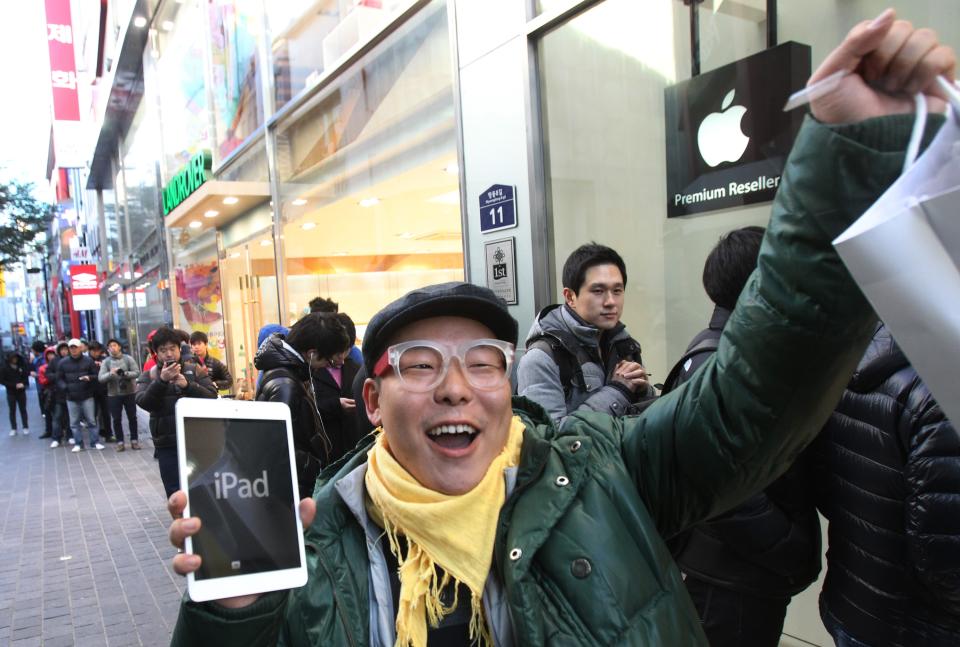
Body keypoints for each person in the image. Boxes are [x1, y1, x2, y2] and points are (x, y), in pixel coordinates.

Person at [166, 13, 956, 646]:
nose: (456, 385)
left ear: (509, 386)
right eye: (418, 364)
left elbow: (754, 394)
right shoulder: (316, 553)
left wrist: (850, 154)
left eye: (483, 361)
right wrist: (235, 615)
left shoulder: (604, 476)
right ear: (371, 401)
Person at [663, 226, 821, 647]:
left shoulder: (727, 352)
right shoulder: (725, 365)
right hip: (731, 577)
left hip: (735, 571)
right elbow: (720, 487)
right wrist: (788, 546)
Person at [811, 323, 960, 646]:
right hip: (919, 628)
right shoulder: (944, 391)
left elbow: (826, 488)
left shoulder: (854, 355)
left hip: (855, 605)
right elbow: (945, 554)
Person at [517, 242, 654, 426]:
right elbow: (549, 438)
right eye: (598, 291)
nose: (611, 301)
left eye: (617, 290)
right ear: (570, 297)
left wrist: (643, 391)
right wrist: (618, 391)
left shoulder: (623, 343)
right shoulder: (542, 357)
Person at [254, 313, 352, 499]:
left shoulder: (292, 373)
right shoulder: (286, 385)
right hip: (292, 490)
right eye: (329, 361)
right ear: (311, 353)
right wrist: (314, 466)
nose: (327, 366)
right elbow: (275, 449)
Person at [136, 327, 218, 497]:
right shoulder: (149, 375)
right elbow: (144, 402)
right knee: (175, 493)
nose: (168, 354)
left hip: (196, 441)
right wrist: (161, 381)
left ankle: (202, 523)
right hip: (167, 444)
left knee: (201, 491)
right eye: (163, 350)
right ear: (156, 353)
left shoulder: (194, 370)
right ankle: (181, 522)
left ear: (179, 348)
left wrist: (188, 385)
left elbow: (211, 396)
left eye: (172, 348)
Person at [57, 338, 103, 452]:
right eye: (71, 348)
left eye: (75, 347)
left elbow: (96, 375)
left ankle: (95, 442)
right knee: (74, 422)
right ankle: (78, 443)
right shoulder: (63, 363)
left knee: (91, 420)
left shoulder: (88, 361)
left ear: (80, 348)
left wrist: (89, 378)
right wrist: (65, 388)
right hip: (71, 397)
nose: (73, 350)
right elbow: (59, 379)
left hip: (87, 395)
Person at [99, 338, 141, 451]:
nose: (112, 348)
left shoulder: (128, 359)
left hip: (129, 392)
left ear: (119, 347)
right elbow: (101, 378)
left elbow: (137, 372)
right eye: (110, 346)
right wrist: (110, 374)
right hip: (113, 394)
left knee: (132, 417)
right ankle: (120, 442)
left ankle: (134, 440)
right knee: (116, 419)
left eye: (114, 345)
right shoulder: (106, 362)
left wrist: (125, 373)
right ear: (108, 349)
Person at [44, 342, 71, 448]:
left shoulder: (72, 360)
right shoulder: (54, 361)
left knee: (70, 417)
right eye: (62, 349)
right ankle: (56, 438)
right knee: (57, 416)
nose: (64, 351)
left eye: (66, 349)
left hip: (70, 392)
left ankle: (70, 435)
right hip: (57, 393)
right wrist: (58, 376)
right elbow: (48, 374)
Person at [87, 341, 112, 442]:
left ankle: (108, 434)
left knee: (106, 413)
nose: (95, 353)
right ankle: (94, 437)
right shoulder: (86, 360)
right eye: (93, 351)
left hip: (104, 390)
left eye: (97, 351)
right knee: (92, 415)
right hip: (91, 391)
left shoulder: (105, 360)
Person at [1, 351, 30, 436]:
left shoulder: (21, 366)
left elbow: (25, 376)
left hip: (21, 391)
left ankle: (25, 427)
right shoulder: (4, 368)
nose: (15, 359)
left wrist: (23, 384)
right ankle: (14, 428)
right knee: (12, 410)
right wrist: (14, 385)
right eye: (13, 358)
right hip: (11, 392)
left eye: (16, 358)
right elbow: (2, 380)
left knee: (23, 409)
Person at [37, 347, 58, 441]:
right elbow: (42, 381)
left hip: (58, 391)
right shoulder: (42, 367)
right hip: (48, 392)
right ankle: (49, 430)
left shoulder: (59, 365)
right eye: (48, 355)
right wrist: (52, 378)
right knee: (48, 411)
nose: (50, 356)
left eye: (52, 354)